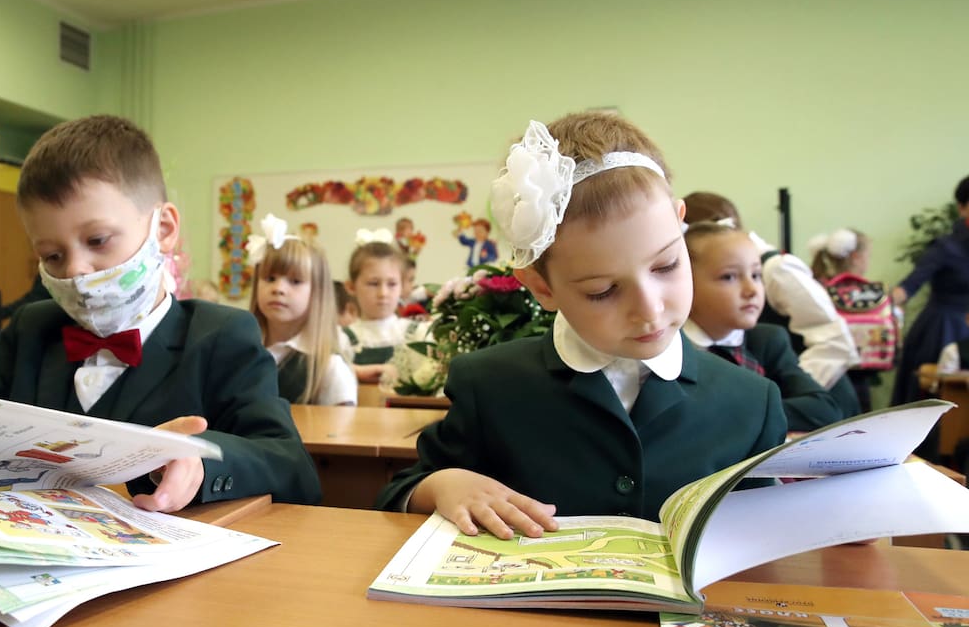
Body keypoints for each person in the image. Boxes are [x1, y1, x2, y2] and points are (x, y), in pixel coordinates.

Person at [377, 113, 786, 539]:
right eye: (602, 291)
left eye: (666, 265)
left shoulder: (752, 403)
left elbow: (768, 533)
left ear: (679, 224)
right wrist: (442, 485)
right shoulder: (489, 385)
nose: (649, 309)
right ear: (542, 287)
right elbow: (399, 492)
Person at [0, 115, 321, 511]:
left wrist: (200, 461)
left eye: (97, 240)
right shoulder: (31, 329)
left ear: (164, 229)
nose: (75, 271)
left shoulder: (222, 335)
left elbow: (293, 469)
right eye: (52, 255)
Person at [682, 191, 861, 419]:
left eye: (757, 275)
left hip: (824, 384)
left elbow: (835, 340)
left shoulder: (778, 272)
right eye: (729, 277)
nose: (752, 290)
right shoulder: (672, 349)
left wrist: (770, 398)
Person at [248, 214, 356, 406]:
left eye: (295, 281)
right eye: (270, 279)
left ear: (317, 292)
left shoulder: (330, 369)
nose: (278, 289)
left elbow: (344, 425)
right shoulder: (242, 354)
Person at [891, 175, 969, 406]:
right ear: (961, 208)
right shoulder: (945, 246)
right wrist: (883, 306)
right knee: (936, 404)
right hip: (943, 329)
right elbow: (910, 284)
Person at [809, 228, 893, 413]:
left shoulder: (817, 287)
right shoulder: (870, 294)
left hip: (825, 373)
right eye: (868, 256)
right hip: (860, 373)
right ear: (856, 257)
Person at [344, 232, 423, 383]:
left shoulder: (416, 334)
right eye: (373, 284)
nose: (383, 293)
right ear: (351, 287)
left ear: (402, 287)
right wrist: (362, 371)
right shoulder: (342, 339)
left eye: (392, 284)